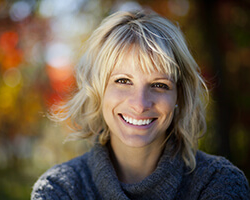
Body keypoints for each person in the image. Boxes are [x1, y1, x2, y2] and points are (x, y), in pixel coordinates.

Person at [31, 10, 250, 200]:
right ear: (98, 90)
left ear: (179, 96)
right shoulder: (59, 190)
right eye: (123, 81)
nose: (140, 104)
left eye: (159, 84)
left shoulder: (217, 182)